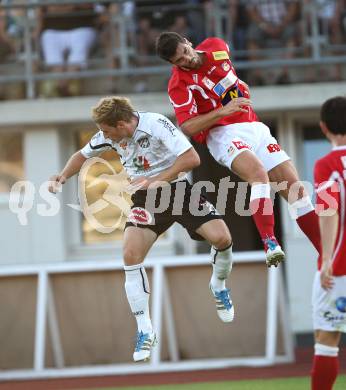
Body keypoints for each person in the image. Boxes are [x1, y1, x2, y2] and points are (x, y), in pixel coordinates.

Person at [48, 96, 234, 362]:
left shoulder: (156, 124)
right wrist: (63, 175)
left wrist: (158, 180)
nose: (104, 135)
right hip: (146, 199)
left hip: (180, 191)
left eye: (108, 130)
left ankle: (218, 284)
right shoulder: (108, 135)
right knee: (130, 254)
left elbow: (191, 158)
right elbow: (82, 155)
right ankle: (145, 329)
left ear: (123, 123)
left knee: (222, 238)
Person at [156, 31, 321, 267]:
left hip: (254, 126)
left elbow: (227, 75)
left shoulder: (217, 46)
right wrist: (223, 110)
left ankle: (325, 253)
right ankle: (270, 242)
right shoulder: (178, 84)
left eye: (185, 53)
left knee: (297, 192)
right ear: (173, 65)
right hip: (223, 134)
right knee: (258, 175)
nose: (186, 60)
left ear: (188, 42)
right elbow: (188, 127)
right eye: (179, 61)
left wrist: (239, 85)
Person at [311, 96, 346, 390]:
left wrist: (326, 260)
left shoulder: (327, 165)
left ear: (324, 128)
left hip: (342, 266)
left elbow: (328, 210)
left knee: (327, 339)